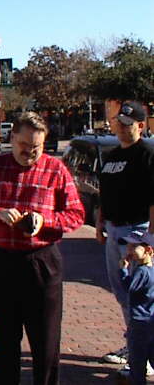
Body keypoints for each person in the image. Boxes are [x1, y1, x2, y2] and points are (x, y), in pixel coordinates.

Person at [0, 111, 84, 385]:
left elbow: (76, 214)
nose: (30, 152)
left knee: (46, 341)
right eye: (24, 145)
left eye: (36, 147)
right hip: (2, 260)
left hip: (41, 261)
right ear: (12, 138)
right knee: (4, 339)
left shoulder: (55, 169)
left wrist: (45, 221)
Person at [95, 100, 154, 369]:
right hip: (114, 229)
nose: (121, 127)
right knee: (122, 293)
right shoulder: (112, 156)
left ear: (140, 126)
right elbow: (104, 194)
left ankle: (144, 357)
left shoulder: (147, 154)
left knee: (141, 296)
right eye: (119, 122)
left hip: (137, 231)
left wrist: (149, 239)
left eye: (128, 124)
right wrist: (100, 224)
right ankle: (135, 345)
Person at [118, 230, 154, 385]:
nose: (129, 250)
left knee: (137, 356)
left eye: (134, 247)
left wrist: (123, 270)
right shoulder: (151, 271)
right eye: (128, 246)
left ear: (148, 250)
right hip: (151, 318)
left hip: (139, 321)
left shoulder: (141, 271)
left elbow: (129, 287)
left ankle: (137, 380)